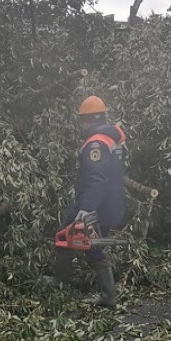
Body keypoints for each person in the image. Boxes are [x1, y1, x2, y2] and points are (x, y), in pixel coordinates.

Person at [46, 95, 126, 308]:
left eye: (82, 120)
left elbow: (96, 179)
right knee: (93, 245)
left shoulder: (96, 143)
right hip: (109, 202)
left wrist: (86, 209)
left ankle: (62, 283)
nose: (81, 125)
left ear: (88, 120)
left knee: (65, 235)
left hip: (95, 204)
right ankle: (106, 295)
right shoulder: (111, 139)